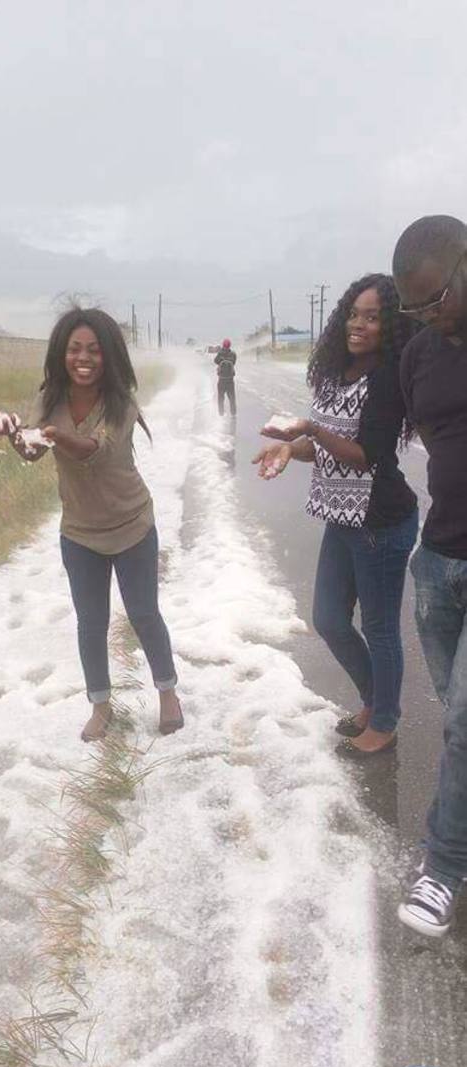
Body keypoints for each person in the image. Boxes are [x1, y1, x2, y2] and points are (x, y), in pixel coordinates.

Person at [0, 307, 183, 743]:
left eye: (94, 349)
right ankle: (100, 705)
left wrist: (52, 435)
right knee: (90, 624)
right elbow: (33, 452)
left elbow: (96, 451)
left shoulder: (122, 404)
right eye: (75, 348)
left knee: (144, 614)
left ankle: (168, 692)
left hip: (132, 525)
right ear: (61, 353)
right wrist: (15, 431)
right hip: (79, 533)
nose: (84, 357)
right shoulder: (48, 400)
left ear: (108, 355)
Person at [252, 275, 418, 760]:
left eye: (373, 317)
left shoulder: (387, 377)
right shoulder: (336, 371)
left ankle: (384, 722)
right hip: (341, 517)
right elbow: (322, 447)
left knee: (381, 628)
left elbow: (364, 455)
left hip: (380, 521)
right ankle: (376, 700)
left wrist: (312, 430)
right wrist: (289, 447)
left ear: (389, 325)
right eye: (354, 314)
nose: (360, 324)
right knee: (327, 618)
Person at [393, 214, 467, 936]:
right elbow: (416, 434)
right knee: (456, 716)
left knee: (466, 724)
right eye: (410, 309)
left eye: (432, 299)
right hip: (439, 558)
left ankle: (442, 869)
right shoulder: (419, 356)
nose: (423, 317)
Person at [214, 338, 237, 416]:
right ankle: (233, 413)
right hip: (230, 380)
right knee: (232, 398)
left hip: (221, 380)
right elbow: (233, 362)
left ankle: (221, 413)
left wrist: (221, 357)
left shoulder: (220, 354)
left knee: (221, 398)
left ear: (223, 345)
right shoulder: (233, 354)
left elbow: (215, 361)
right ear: (229, 345)